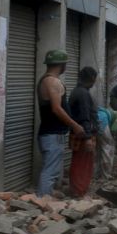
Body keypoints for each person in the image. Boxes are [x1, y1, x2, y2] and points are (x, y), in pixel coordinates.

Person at [36, 50, 85, 197]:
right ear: (62, 65)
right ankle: (42, 201)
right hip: (52, 134)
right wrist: (75, 125)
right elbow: (56, 108)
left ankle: (45, 198)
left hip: (51, 134)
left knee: (51, 169)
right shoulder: (52, 82)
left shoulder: (46, 80)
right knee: (50, 171)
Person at [68, 67, 99, 197]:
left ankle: (78, 189)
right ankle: (79, 190)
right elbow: (84, 116)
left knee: (79, 160)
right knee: (83, 162)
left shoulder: (77, 91)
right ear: (91, 79)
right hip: (83, 135)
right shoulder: (83, 94)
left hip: (80, 133)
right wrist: (88, 138)